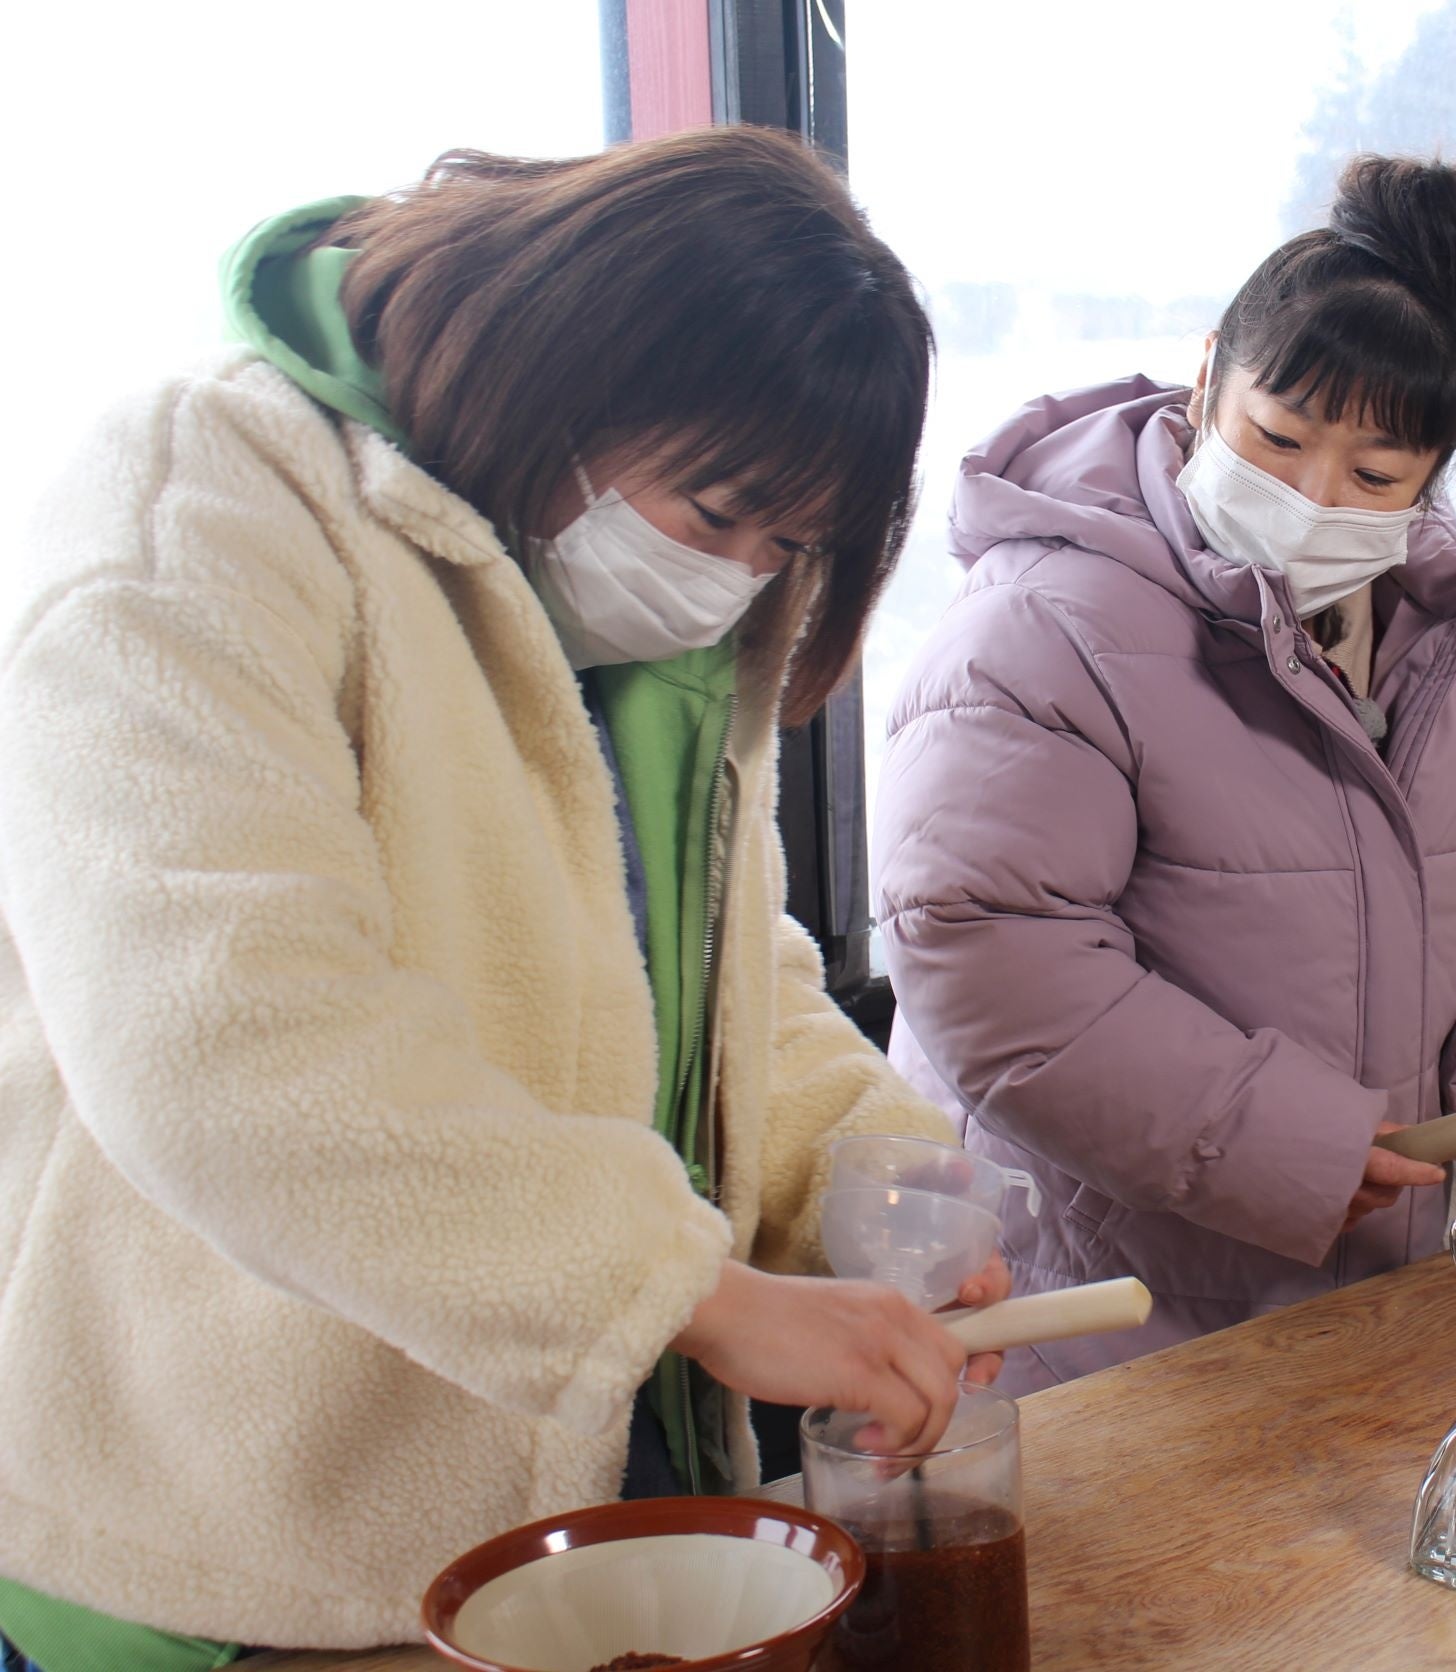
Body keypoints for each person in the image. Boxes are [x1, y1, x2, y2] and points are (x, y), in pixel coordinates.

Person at [0, 128, 1008, 1668]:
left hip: (588, 1482)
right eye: (718, 508)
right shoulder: (199, 505)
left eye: (788, 542)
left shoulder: (654, 619)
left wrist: (877, 1182)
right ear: (567, 366)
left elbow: (730, 985)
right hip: (245, 1536)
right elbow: (230, 1046)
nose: (737, 577)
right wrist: (688, 1288)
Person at [874, 155, 1456, 1392]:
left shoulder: (1449, 632)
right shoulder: (1047, 623)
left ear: (1434, 473)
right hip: (1091, 1309)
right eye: (1275, 438)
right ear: (1209, 372)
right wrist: (1289, 1142)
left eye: (1374, 477)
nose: (1310, 498)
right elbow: (982, 947)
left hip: (1340, 1283)